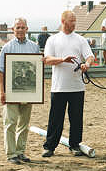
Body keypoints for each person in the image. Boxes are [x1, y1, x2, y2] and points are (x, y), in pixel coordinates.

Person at [42, 11, 94, 158]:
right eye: (71, 21)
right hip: (59, 87)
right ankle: (49, 146)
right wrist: (62, 60)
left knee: (76, 118)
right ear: (63, 21)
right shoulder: (53, 40)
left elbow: (90, 56)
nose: (74, 23)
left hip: (77, 87)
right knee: (55, 118)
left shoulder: (80, 40)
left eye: (75, 21)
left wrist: (87, 64)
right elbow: (47, 59)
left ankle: (75, 145)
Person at [0, 18, 39, 164]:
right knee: (10, 123)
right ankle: (11, 154)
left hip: (28, 91)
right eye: (17, 27)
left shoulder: (34, 47)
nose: (20, 30)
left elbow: (36, 71)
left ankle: (20, 152)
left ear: (27, 29)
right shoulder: (7, 47)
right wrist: (2, 92)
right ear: (13, 29)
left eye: (22, 27)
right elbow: (0, 72)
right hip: (11, 92)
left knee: (24, 124)